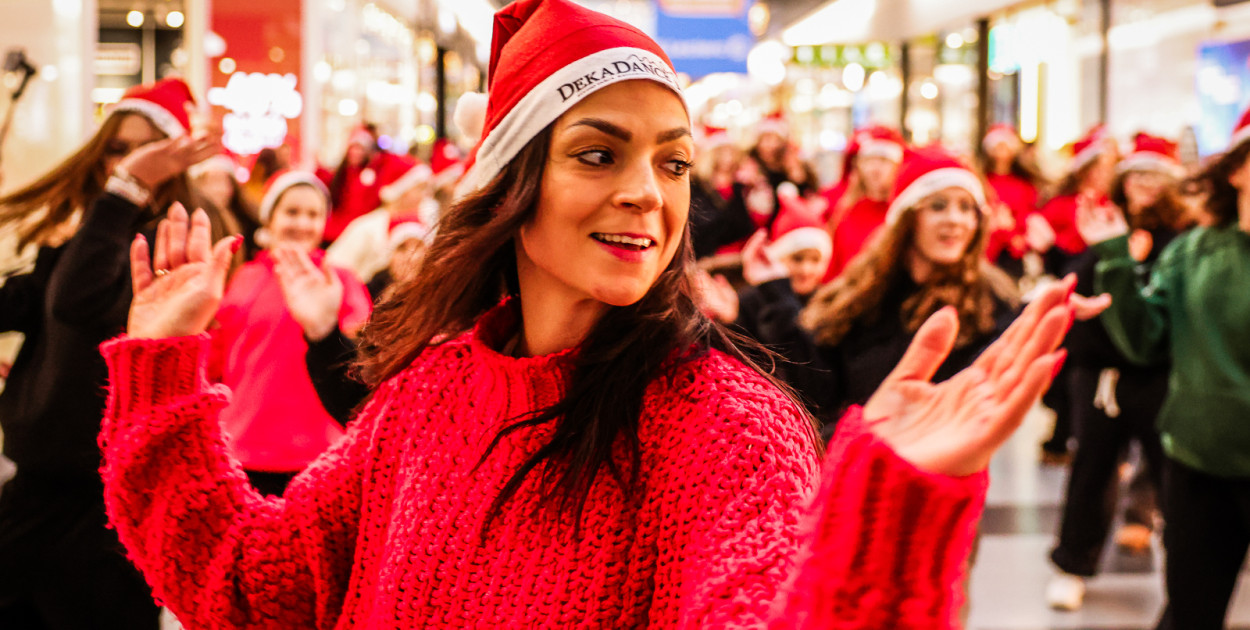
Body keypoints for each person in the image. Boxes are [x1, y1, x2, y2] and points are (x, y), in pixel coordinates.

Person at [98, 1, 1073, 627]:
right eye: (599, 154)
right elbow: (253, 581)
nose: (648, 192)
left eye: (673, 162)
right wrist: (160, 364)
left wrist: (884, 519)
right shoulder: (426, 396)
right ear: (512, 188)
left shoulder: (730, 431)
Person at [0, 78, 224, 630]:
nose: (126, 162)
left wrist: (126, 191)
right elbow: (24, 305)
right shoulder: (82, 236)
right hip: (32, 489)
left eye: (145, 149)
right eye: (118, 149)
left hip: (110, 508)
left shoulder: (175, 243)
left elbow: (78, 303)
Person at [1077, 109, 1250, 630]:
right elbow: (1145, 340)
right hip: (1199, 465)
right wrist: (1114, 260)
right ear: (1237, 169)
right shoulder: (1197, 251)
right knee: (1191, 610)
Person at [746, 148, 1022, 430]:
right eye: (938, 206)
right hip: (856, 449)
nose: (955, 219)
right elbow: (818, 386)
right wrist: (774, 291)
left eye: (966, 207)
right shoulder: (864, 291)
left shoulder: (989, 303)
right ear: (907, 217)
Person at [1045, 133, 1193, 611]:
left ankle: (1186, 572)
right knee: (1092, 468)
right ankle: (1073, 563)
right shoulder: (1105, 225)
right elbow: (1075, 282)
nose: (1145, 185)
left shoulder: (1185, 239)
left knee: (1173, 475)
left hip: (1160, 375)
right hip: (1102, 375)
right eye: (1137, 175)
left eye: (1156, 176)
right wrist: (1109, 252)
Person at [208, 171, 373, 496]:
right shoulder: (243, 277)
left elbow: (360, 357)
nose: (302, 223)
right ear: (270, 218)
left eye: (313, 214)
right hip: (244, 448)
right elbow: (216, 360)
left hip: (321, 453)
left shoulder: (339, 280)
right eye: (292, 212)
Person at [1037, 125, 1121, 464]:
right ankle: (1062, 436)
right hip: (1070, 289)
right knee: (1068, 366)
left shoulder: (1113, 203)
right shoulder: (1062, 204)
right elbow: (1052, 252)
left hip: (1101, 294)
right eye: (1101, 166)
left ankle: (1075, 436)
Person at [325, 156, 438, 284]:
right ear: (402, 190)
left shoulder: (424, 225)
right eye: (420, 189)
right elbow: (334, 267)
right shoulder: (368, 227)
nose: (425, 195)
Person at [820, 125, 906, 281]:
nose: (875, 169)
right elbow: (833, 268)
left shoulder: (901, 214)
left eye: (884, 161)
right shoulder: (844, 211)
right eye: (869, 161)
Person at [979, 124, 1051, 278]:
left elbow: (1028, 212)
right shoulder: (983, 181)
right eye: (998, 147)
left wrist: (1019, 236)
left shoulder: (1024, 184)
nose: (1001, 152)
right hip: (990, 243)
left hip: (1015, 247)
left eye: (1005, 146)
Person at [325, 125, 408, 243]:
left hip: (356, 228)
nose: (355, 152)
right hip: (337, 227)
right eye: (353, 148)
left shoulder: (373, 173)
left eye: (359, 149)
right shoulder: (341, 174)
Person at [191, 153, 262, 260]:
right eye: (211, 182)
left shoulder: (247, 220)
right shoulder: (191, 220)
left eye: (224, 182)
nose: (219, 189)